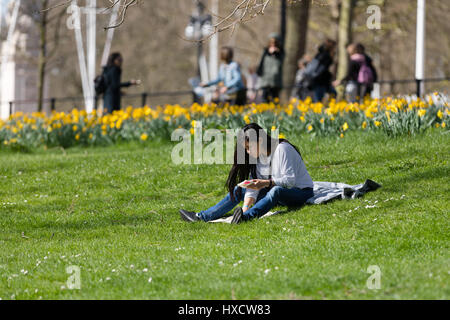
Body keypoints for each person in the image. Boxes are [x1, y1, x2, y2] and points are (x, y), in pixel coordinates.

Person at [179, 123, 315, 224]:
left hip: (300, 192)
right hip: (278, 193)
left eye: (249, 148)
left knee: (277, 190)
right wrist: (244, 207)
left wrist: (266, 183)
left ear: (260, 141)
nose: (248, 152)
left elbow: (289, 181)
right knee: (240, 189)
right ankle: (200, 217)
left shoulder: (282, 149)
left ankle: (246, 218)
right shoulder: (257, 158)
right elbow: (253, 188)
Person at [256, 33, 285, 103]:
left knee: (275, 98)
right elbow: (261, 63)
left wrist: (276, 53)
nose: (273, 44)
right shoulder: (265, 51)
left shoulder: (281, 52)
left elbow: (280, 62)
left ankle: (276, 112)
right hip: (265, 79)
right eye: (271, 42)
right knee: (264, 98)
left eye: (275, 42)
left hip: (275, 80)